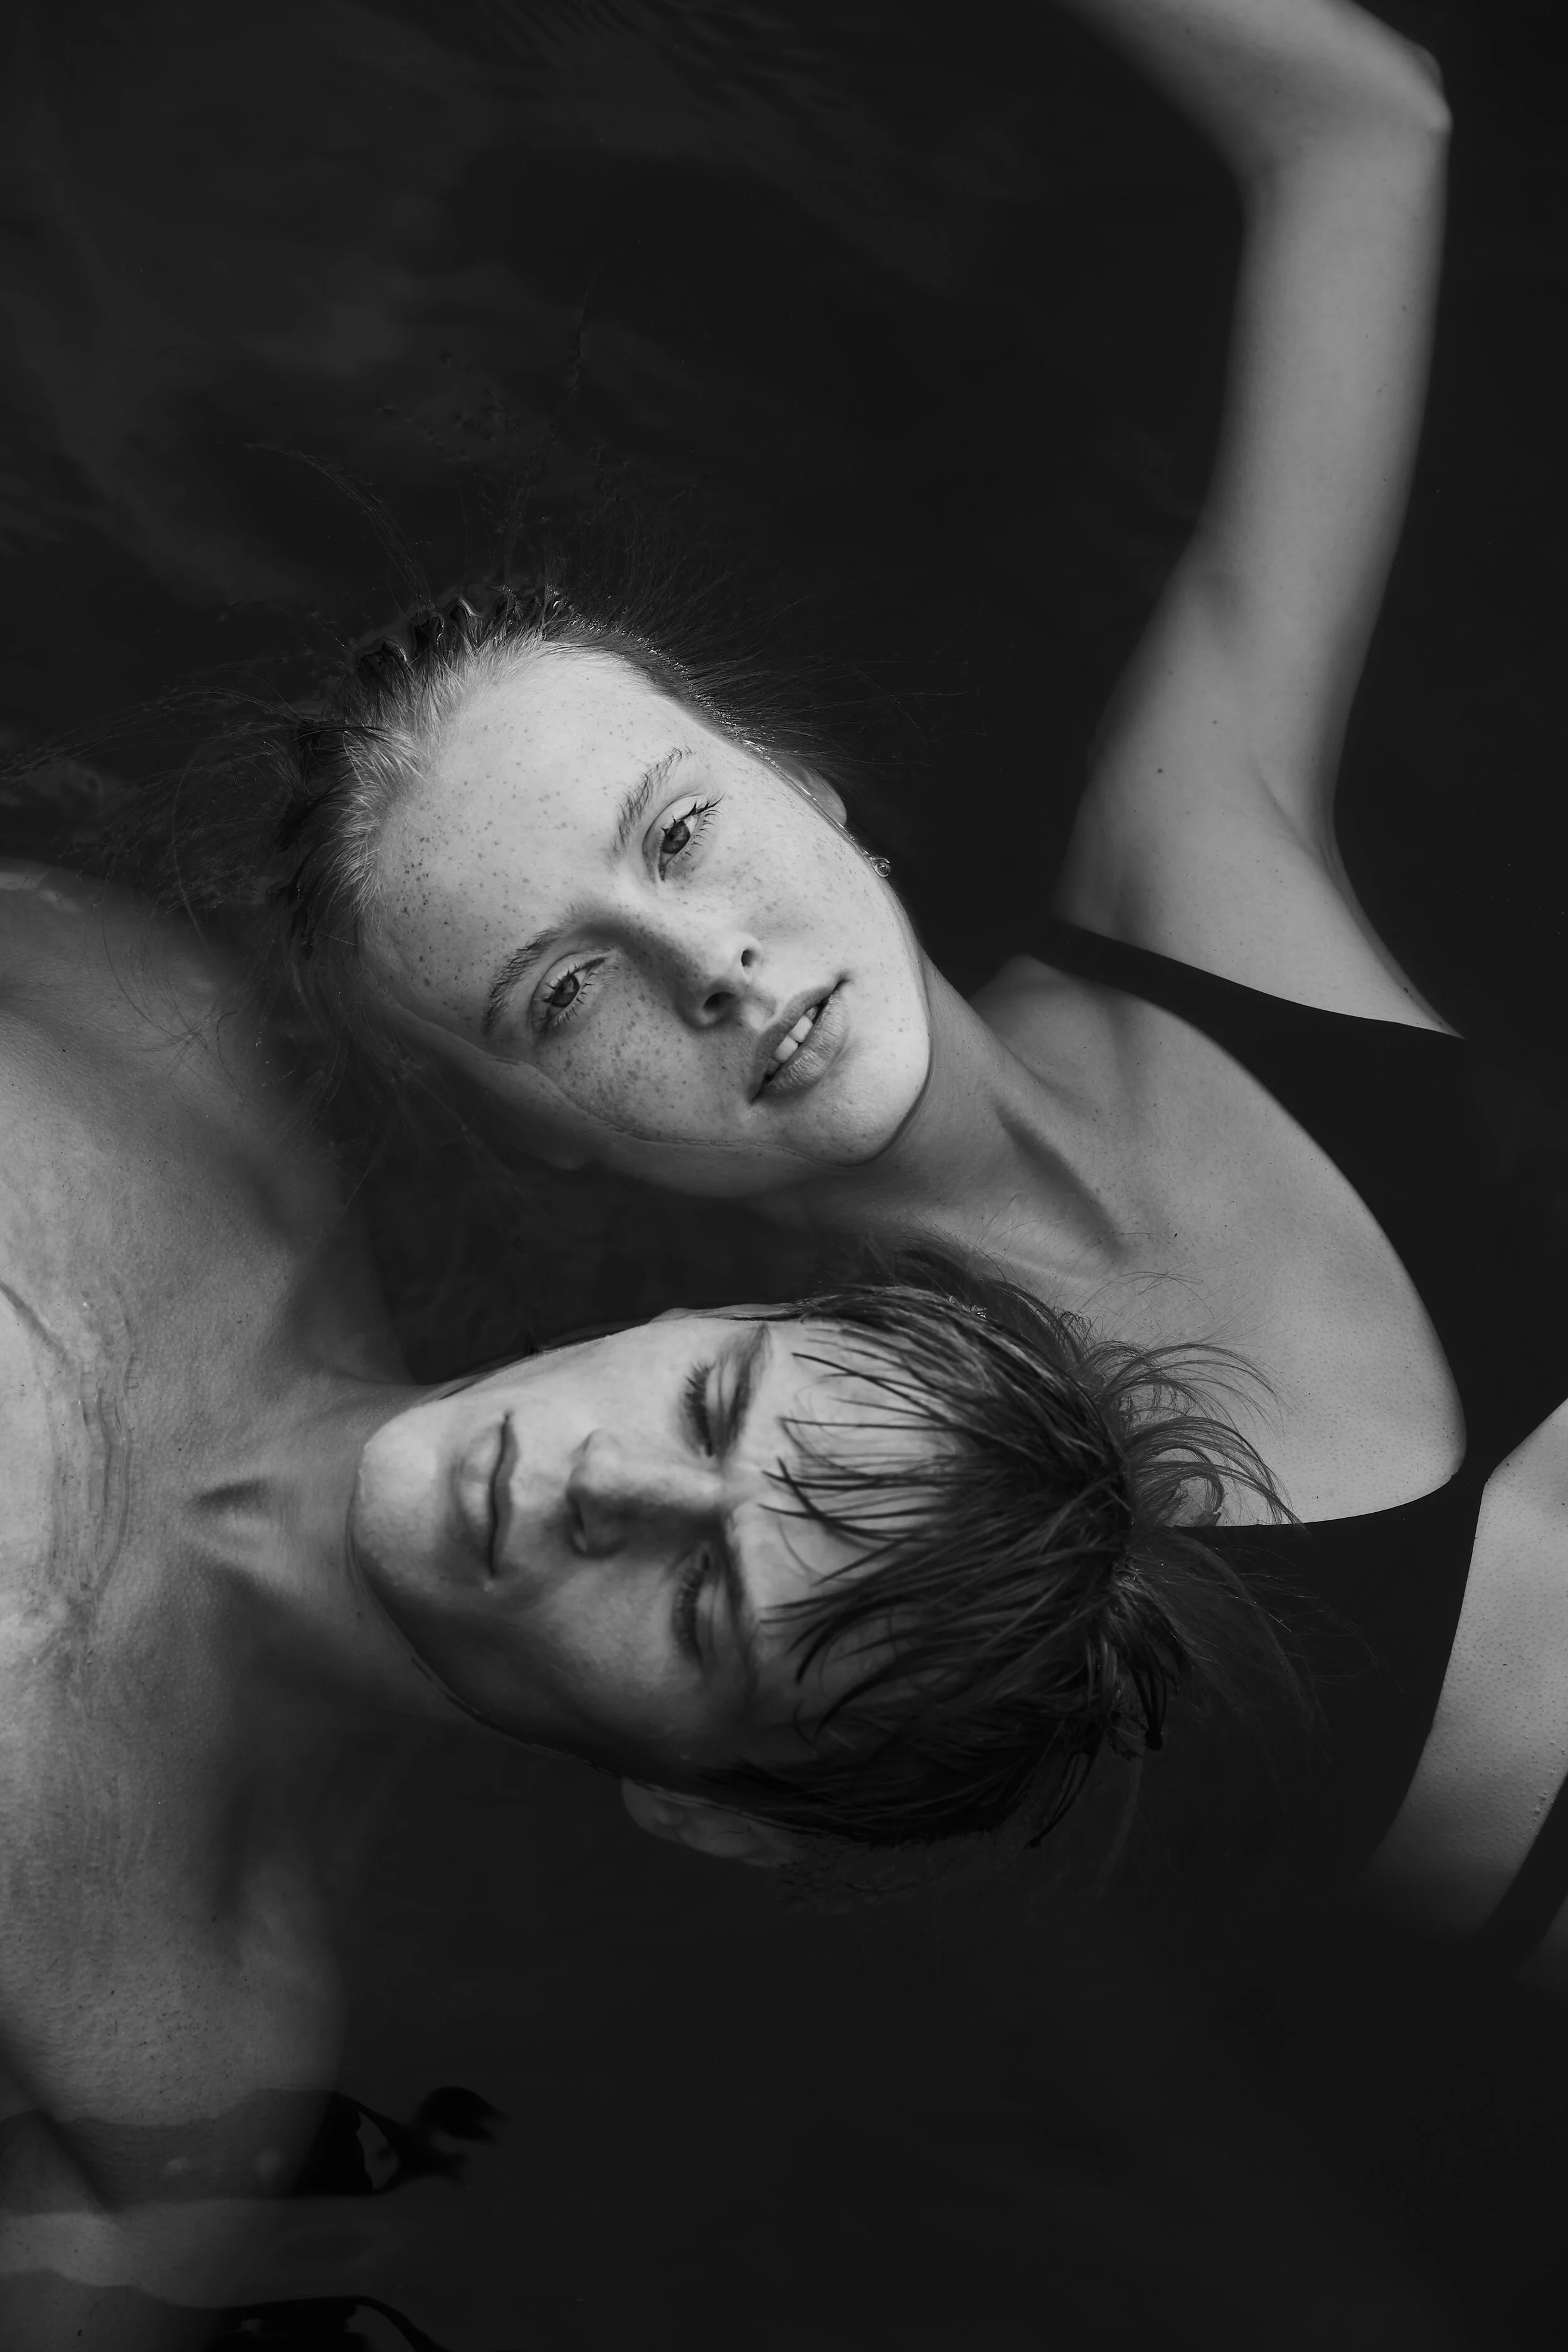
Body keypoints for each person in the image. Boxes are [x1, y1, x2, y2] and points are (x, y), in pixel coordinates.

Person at [159, 0, 1568, 1982]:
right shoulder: (791, 1549)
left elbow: (1358, 129)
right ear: (534, 1145)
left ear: (800, 784)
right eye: (566, 997)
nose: (711, 961)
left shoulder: (1200, 878)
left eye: (675, 831)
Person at [0, 855, 1308, 2346]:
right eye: (709, 1405)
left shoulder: (154, 2077)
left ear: (703, 1804)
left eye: (702, 1601)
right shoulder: (143, 1041)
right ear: (712, 1315)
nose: (609, 1487)